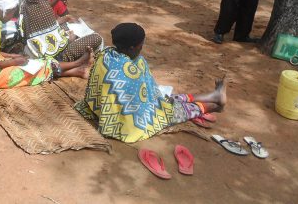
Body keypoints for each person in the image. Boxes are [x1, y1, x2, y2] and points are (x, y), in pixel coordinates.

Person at [76, 23, 227, 143]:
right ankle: (214, 106)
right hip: (130, 120)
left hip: (101, 109)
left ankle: (214, 95)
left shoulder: (106, 54)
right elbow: (142, 101)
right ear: (132, 47)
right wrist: (157, 105)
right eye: (141, 45)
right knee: (173, 112)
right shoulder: (135, 66)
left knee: (168, 100)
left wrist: (156, 99)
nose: (142, 48)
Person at [0, 0, 91, 89]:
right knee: (40, 65)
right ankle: (77, 64)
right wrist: (14, 62)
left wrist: (11, 56)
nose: (13, 15)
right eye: (13, 12)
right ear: (8, 10)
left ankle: (77, 70)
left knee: (33, 63)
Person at [21, 0, 102, 62]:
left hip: (34, 48)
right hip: (54, 55)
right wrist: (69, 39)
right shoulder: (45, 7)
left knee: (64, 25)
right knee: (96, 38)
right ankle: (72, 61)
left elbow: (45, 27)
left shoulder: (27, 2)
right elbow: (53, 42)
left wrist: (65, 19)